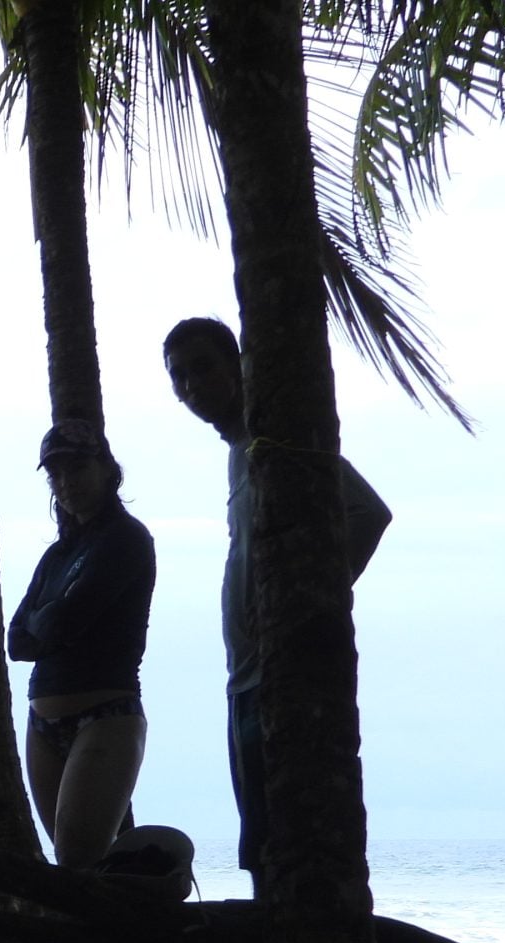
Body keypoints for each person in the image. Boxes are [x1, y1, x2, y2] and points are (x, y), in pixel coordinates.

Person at [163, 316, 391, 878]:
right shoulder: (241, 450)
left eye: (202, 368)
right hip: (244, 676)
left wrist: (306, 600)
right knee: (262, 839)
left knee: (288, 840)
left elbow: (368, 513)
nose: (192, 386)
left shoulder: (273, 443)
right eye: (179, 377)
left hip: (277, 675)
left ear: (238, 367)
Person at [7, 419, 157, 868]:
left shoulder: (127, 538)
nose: (65, 482)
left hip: (105, 715)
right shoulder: (56, 555)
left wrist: (49, 620)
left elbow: (64, 623)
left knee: (77, 860)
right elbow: (17, 640)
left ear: (106, 469)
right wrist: (49, 621)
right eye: (55, 473)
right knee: (87, 864)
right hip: (43, 721)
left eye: (76, 468)